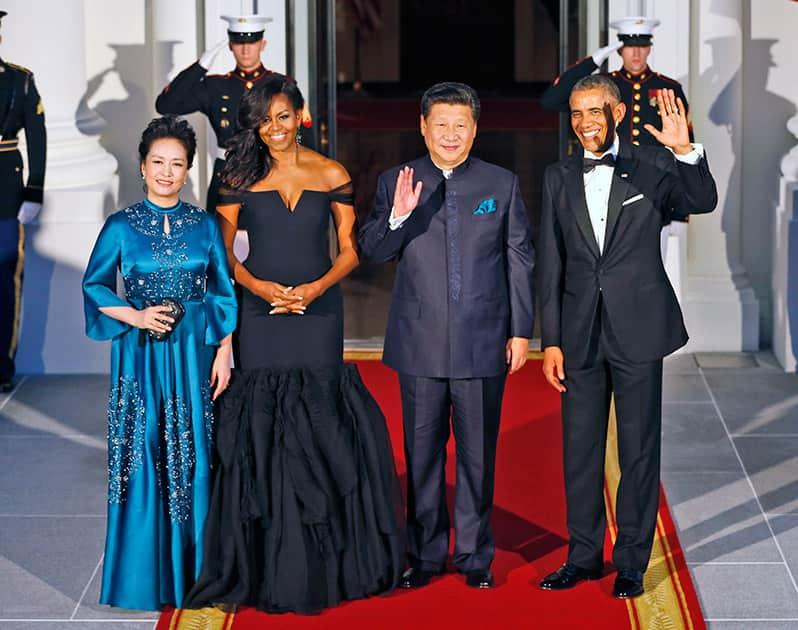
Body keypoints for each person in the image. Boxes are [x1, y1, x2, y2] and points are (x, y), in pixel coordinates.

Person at [183, 76, 404, 615]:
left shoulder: (332, 172)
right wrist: (258, 288)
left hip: (318, 312)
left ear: (300, 114)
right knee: (264, 425)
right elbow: (222, 252)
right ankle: (267, 562)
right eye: (264, 120)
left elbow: (350, 251)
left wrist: (314, 289)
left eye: (283, 117)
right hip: (260, 312)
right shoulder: (236, 174)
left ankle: (328, 560)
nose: (274, 129)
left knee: (320, 422)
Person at [536, 75, 717, 599]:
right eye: (575, 113)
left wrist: (686, 150)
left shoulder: (653, 164)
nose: (584, 122)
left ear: (616, 112)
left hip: (638, 326)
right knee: (580, 450)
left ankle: (632, 560)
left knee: (638, 450)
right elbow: (551, 263)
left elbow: (701, 200)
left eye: (593, 111)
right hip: (578, 333)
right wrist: (550, 340)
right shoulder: (557, 175)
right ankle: (583, 555)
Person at [358, 82, 536, 590]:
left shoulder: (499, 183)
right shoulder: (398, 178)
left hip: (484, 341)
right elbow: (372, 249)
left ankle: (476, 557)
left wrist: (522, 331)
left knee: (479, 457)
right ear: (423, 126)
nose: (451, 135)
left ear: (475, 128)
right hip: (419, 341)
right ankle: (427, 555)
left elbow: (520, 259)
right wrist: (398, 215)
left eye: (461, 125)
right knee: (422, 457)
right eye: (441, 125)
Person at [82, 116, 237, 610]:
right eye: (158, 163)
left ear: (189, 170)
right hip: (139, 353)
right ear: (143, 167)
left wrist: (226, 352)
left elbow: (222, 292)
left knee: (193, 453)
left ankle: (198, 575)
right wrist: (136, 315)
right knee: (141, 453)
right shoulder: (121, 226)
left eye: (177, 164)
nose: (167, 172)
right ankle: (143, 578)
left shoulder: (205, 225)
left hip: (194, 353)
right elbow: (95, 286)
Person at [155, 14, 311, 213]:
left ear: (262, 44)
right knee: (220, 240)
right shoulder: (216, 86)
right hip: (226, 177)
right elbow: (167, 105)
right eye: (238, 42)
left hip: (272, 175)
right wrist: (201, 66)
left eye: (252, 41)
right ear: (230, 45)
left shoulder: (280, 85)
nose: (246, 49)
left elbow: (302, 135)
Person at [0, 10, 46, 393]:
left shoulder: (19, 80)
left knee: (4, 279)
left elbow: (37, 136)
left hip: (5, 190)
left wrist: (35, 190)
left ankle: (1, 365)